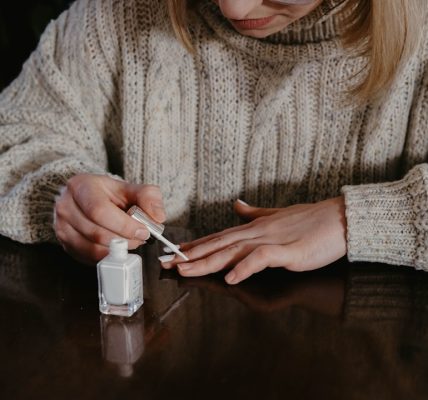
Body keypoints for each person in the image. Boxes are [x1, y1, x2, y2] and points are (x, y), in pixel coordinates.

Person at [0, 0, 427, 285]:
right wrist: (58, 191)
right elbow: (16, 133)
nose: (232, 6)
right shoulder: (115, 15)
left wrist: (354, 220)